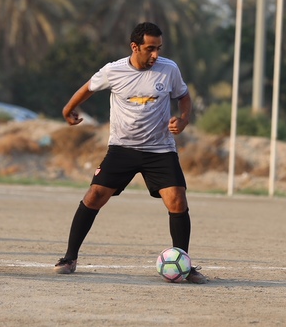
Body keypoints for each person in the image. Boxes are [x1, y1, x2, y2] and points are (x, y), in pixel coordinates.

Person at [54, 22, 208, 284]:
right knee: (94, 196)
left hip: (159, 149)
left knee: (177, 200)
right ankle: (69, 258)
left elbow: (184, 96)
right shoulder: (113, 70)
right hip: (122, 149)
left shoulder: (169, 69)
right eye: (150, 48)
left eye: (159, 48)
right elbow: (88, 88)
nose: (155, 54)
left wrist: (183, 119)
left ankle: (183, 263)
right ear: (134, 47)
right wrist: (68, 109)